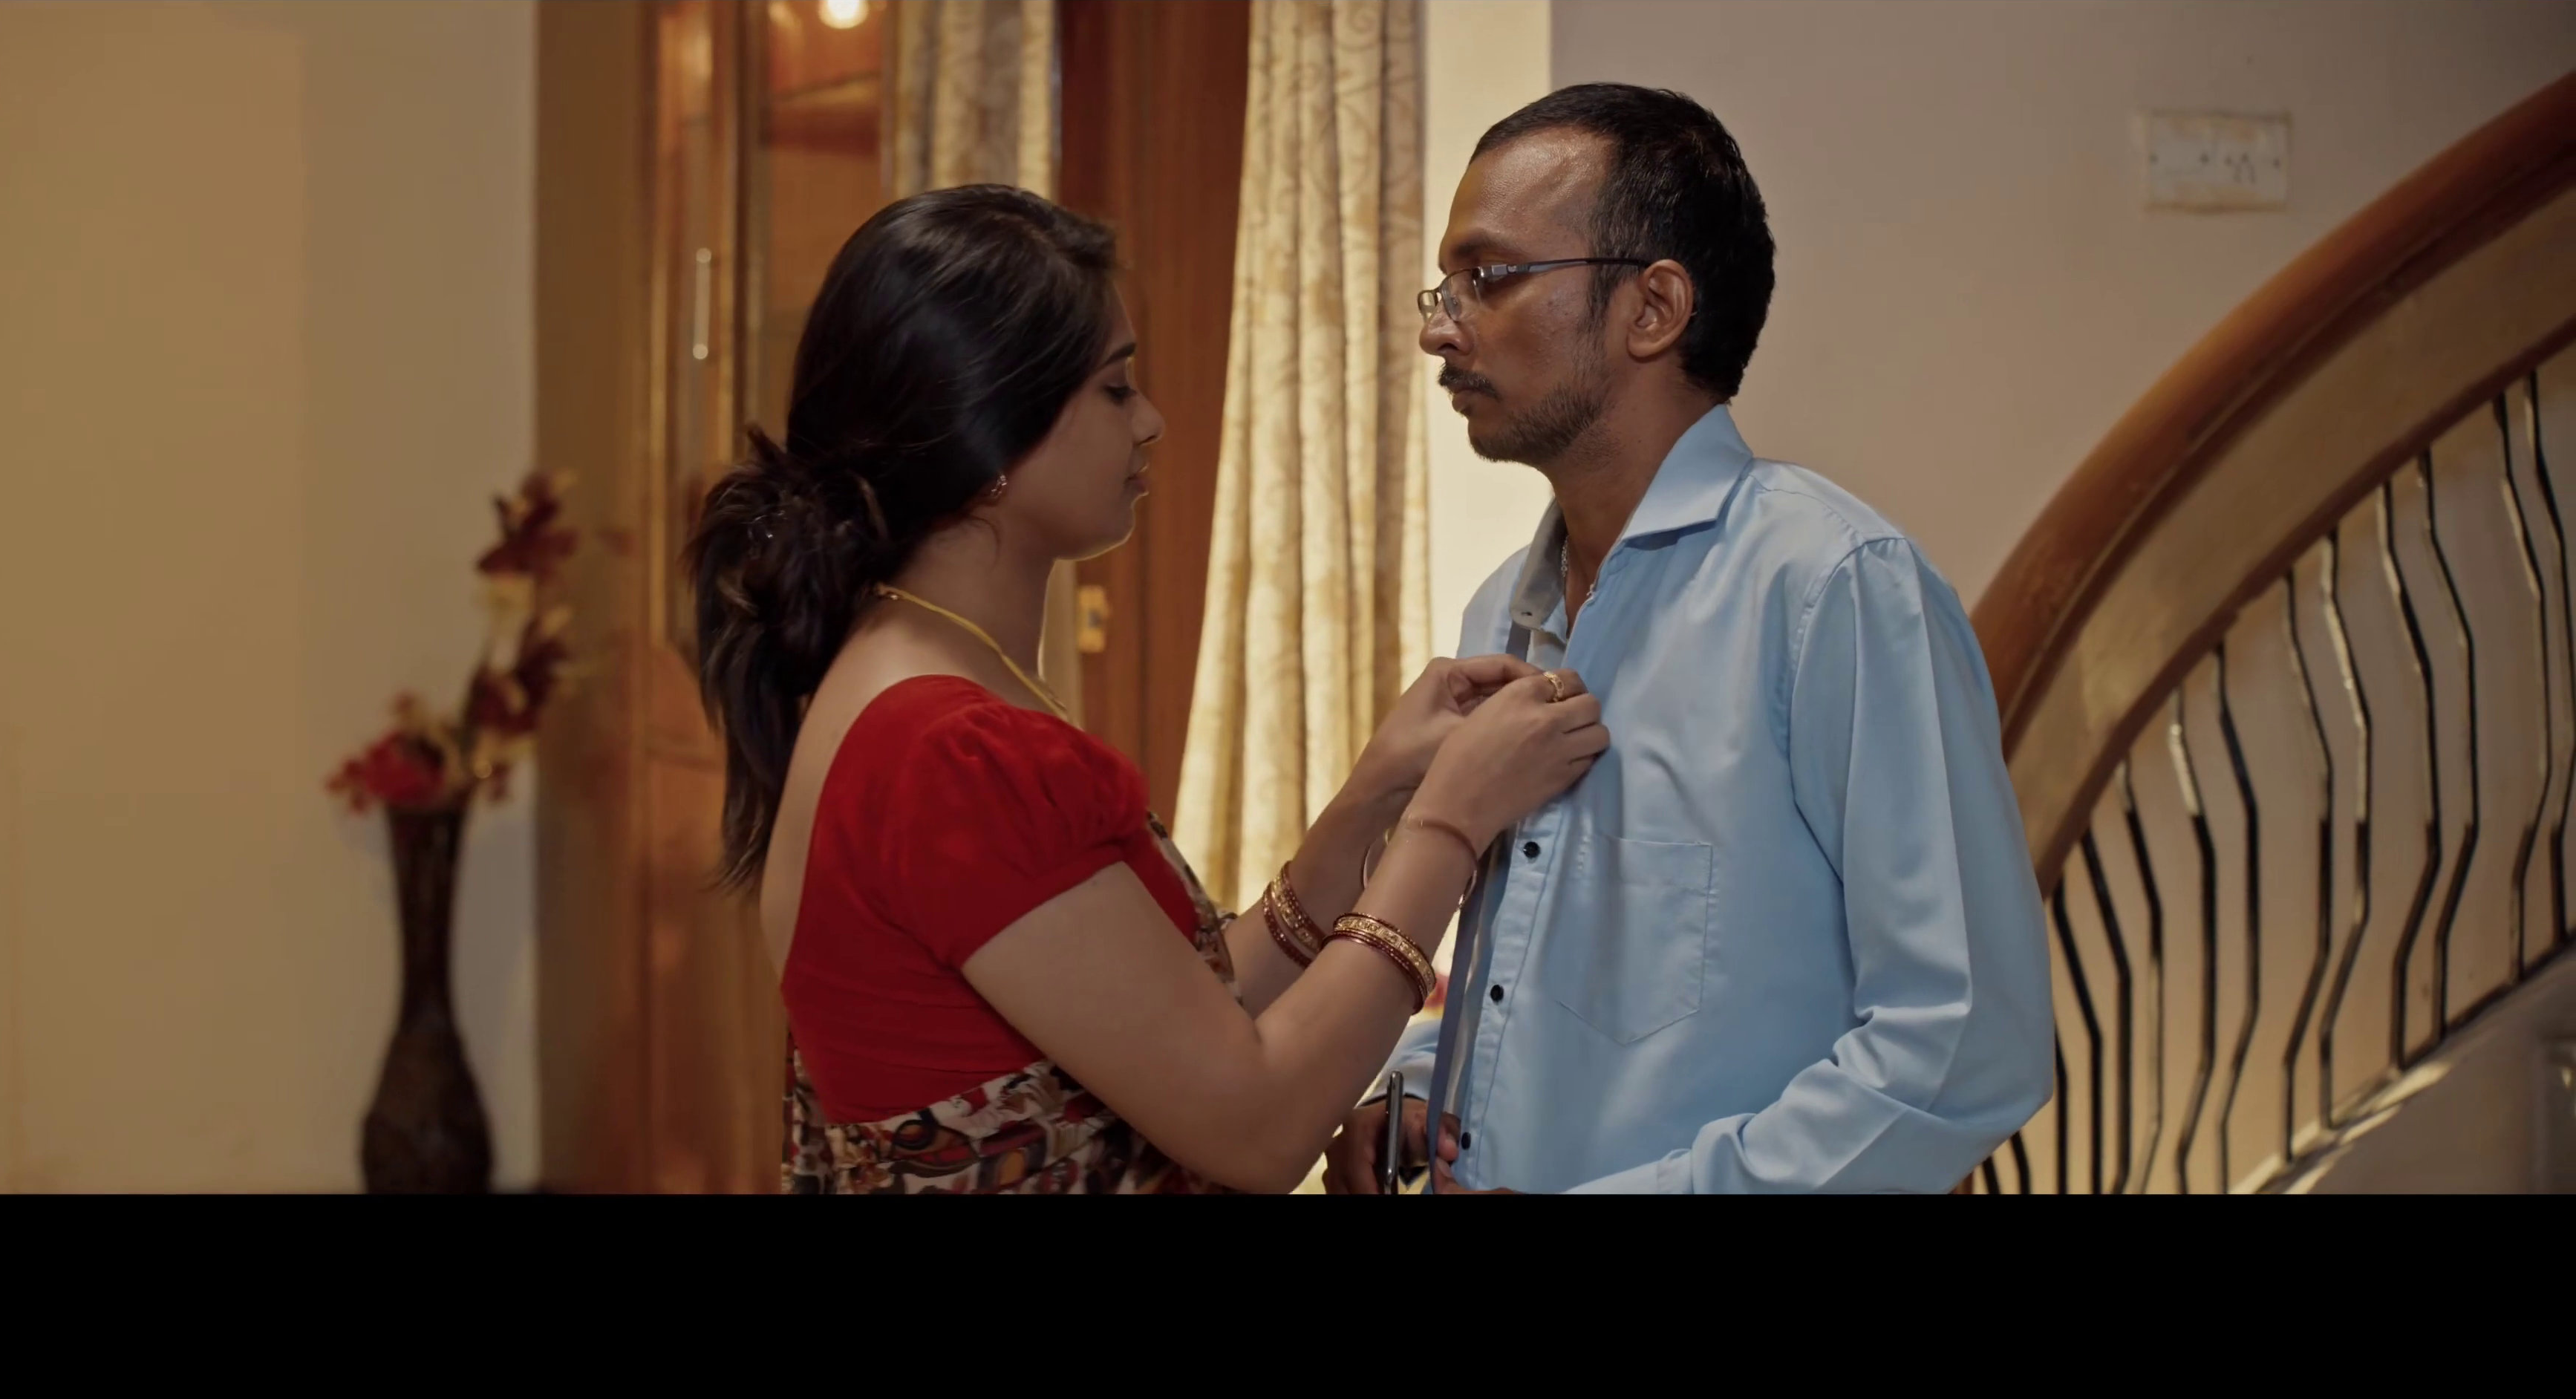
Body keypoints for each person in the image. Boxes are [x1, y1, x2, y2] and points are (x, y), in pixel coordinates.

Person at [688, 184, 1605, 1193]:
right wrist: (1448, 826)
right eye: (1116, 390)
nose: (1152, 421)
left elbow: (1178, 1024)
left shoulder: (902, 672)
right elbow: (1258, 1127)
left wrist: (1371, 799)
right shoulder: (950, 750)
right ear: (988, 432)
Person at [1326, 85, 2055, 1194]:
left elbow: (1960, 1045)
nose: (1440, 326)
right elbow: (1543, 977)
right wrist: (1427, 1081)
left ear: (1654, 309)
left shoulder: (1835, 591)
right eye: (1447, 284)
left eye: (1491, 276)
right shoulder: (1503, 610)